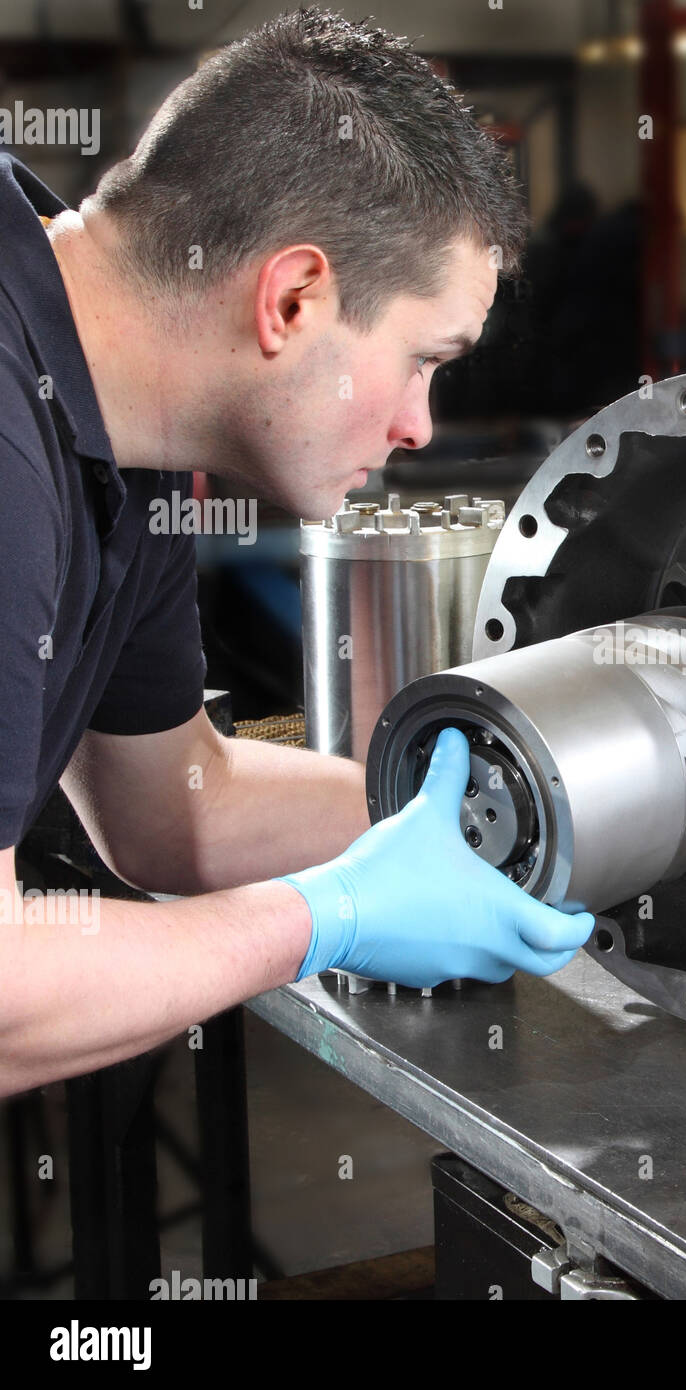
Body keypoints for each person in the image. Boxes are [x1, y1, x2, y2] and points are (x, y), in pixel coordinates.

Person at [0, 10, 595, 1098]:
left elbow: (176, 809)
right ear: (293, 299)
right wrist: (330, 916)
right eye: (423, 360)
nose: (419, 424)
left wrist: (539, 806)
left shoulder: (126, 432)